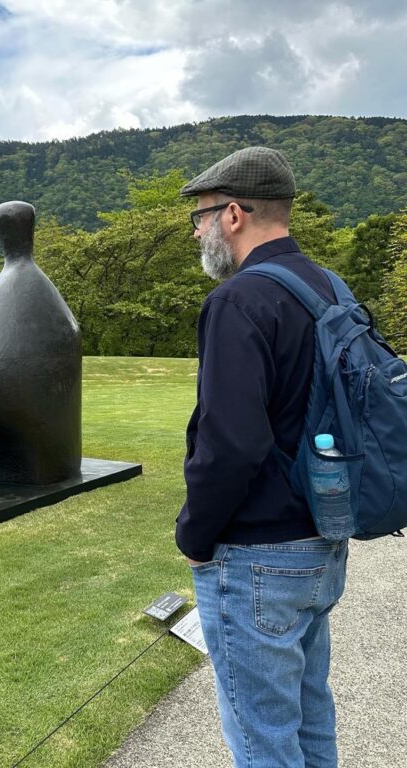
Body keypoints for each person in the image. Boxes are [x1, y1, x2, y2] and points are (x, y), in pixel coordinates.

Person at [176, 146, 349, 768]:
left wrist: (194, 534)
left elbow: (230, 445)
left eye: (199, 217)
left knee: (261, 740)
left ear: (233, 216)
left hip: (257, 558)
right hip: (323, 538)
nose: (196, 230)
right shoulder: (329, 287)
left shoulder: (239, 301)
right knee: (308, 720)